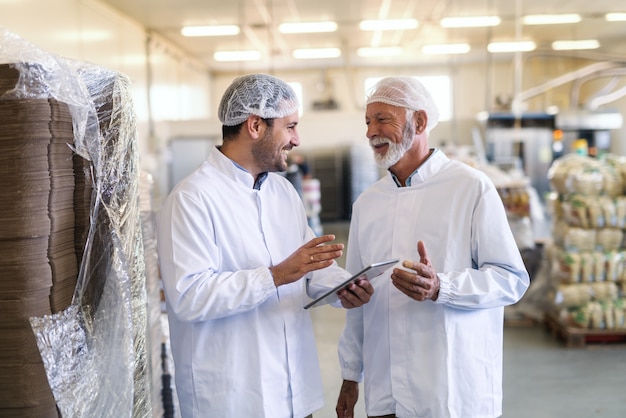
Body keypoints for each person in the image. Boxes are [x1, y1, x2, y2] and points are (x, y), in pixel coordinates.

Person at [156, 73, 374, 418]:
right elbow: (188, 297)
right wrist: (274, 276)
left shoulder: (282, 192)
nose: (297, 139)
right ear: (255, 125)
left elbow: (308, 269)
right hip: (234, 398)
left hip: (292, 394)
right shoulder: (192, 199)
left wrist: (340, 288)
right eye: (290, 127)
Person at [335, 76, 530, 418]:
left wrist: (443, 287)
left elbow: (511, 278)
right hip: (387, 392)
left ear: (420, 121)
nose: (370, 132)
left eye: (383, 119)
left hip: (450, 391)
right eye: (368, 121)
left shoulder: (470, 188)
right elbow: (358, 297)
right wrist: (351, 375)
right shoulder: (367, 203)